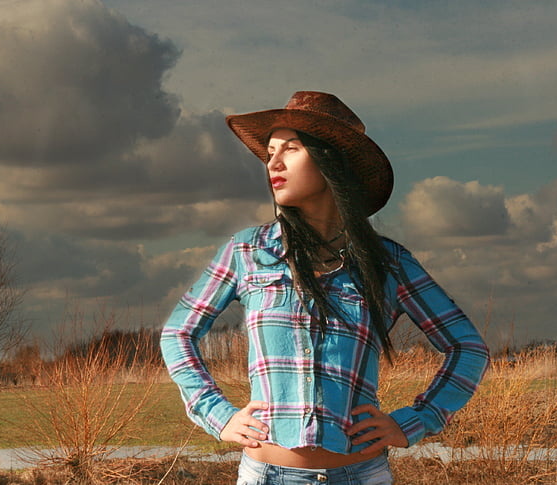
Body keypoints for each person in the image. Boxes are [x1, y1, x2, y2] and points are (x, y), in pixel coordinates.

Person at [160, 91, 490, 485]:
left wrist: (415, 421)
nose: (273, 163)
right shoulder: (247, 251)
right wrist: (218, 414)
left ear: (332, 160)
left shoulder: (388, 263)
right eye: (270, 152)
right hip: (267, 475)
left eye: (292, 148)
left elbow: (468, 348)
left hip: (360, 475)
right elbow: (177, 332)